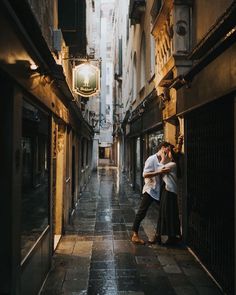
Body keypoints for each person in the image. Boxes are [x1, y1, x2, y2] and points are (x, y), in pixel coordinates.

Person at [131, 141, 171, 245]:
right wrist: (159, 172)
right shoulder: (151, 159)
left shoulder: (164, 159)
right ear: (163, 148)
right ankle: (135, 235)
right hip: (150, 190)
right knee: (142, 212)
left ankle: (158, 235)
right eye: (168, 149)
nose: (169, 151)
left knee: (164, 212)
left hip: (158, 190)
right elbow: (145, 174)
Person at [149, 143, 182, 245]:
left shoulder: (172, 165)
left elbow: (158, 169)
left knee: (168, 214)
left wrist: (163, 158)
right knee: (164, 213)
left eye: (169, 152)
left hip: (170, 192)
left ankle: (170, 236)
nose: (167, 153)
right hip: (166, 191)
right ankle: (160, 236)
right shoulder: (171, 164)